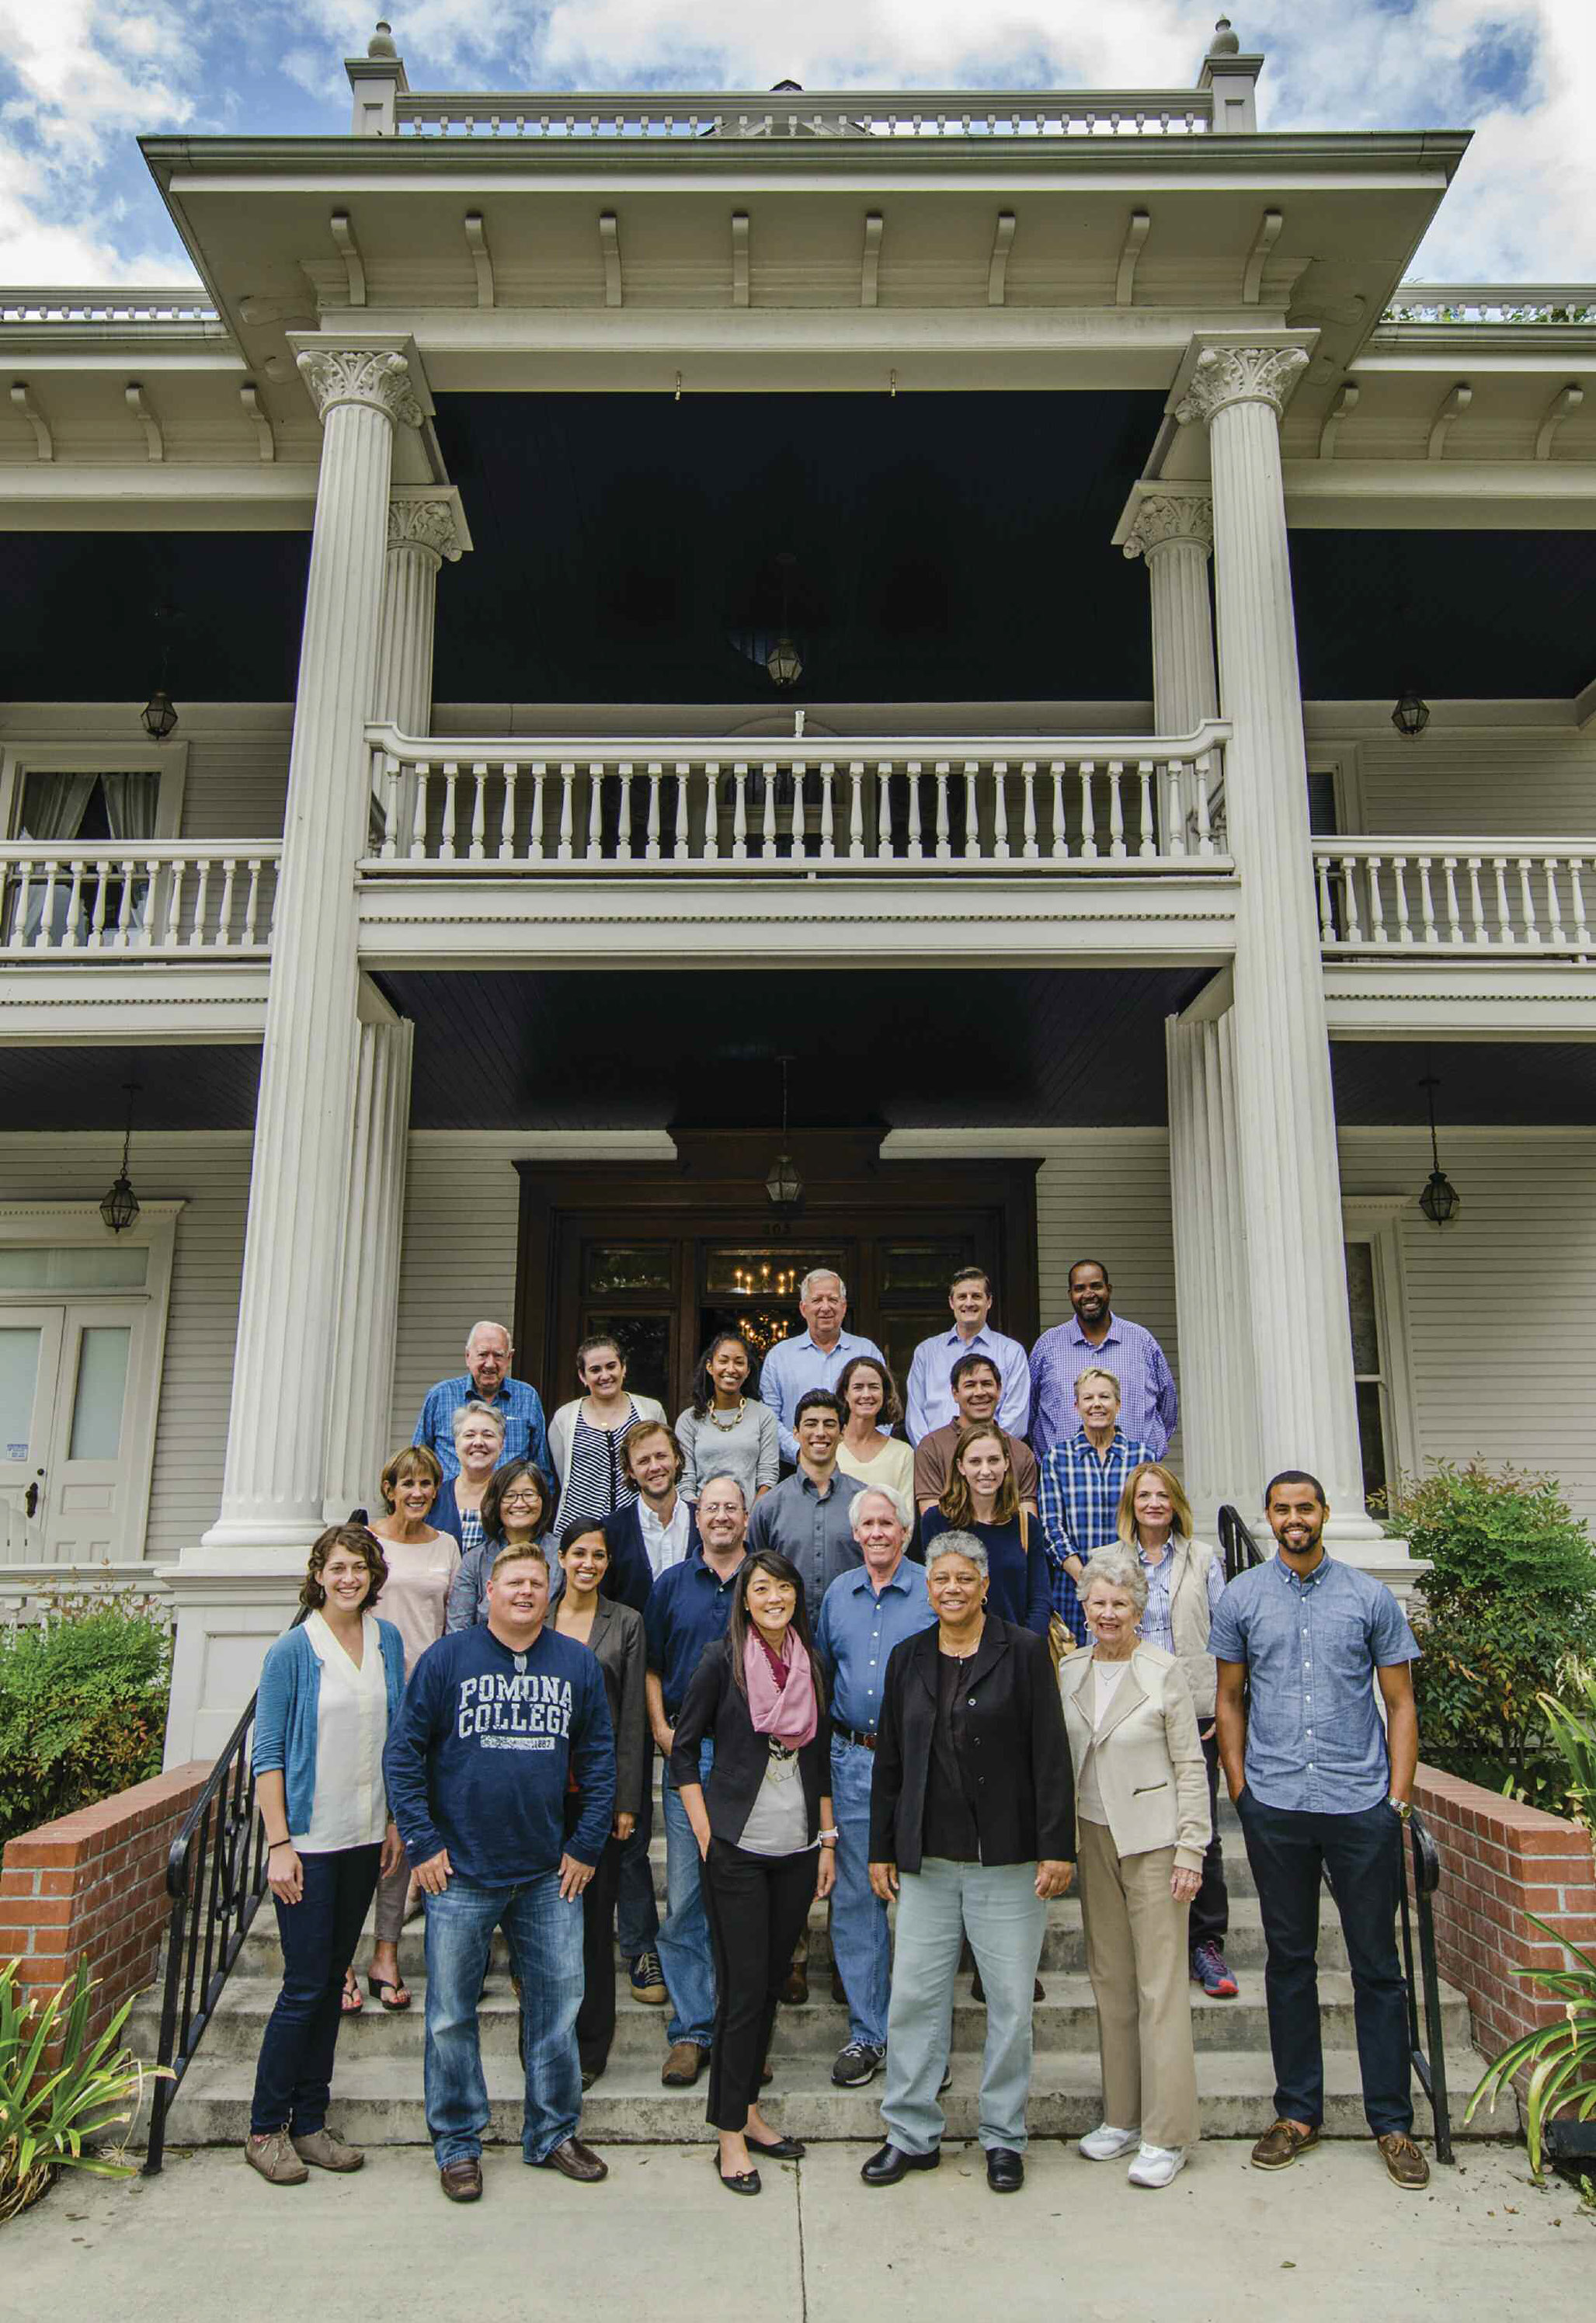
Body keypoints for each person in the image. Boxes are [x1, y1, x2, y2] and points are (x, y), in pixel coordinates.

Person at [1211, 1470, 1428, 2191]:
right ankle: (1297, 2112)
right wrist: (1241, 1790)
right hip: (1276, 1802)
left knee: (1376, 1965)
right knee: (1289, 1961)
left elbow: (1399, 1702)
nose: (1294, 1518)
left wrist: (1395, 1798)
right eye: (1281, 1508)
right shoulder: (1241, 1597)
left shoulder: (1367, 1596)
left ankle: (1391, 2122)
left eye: (1305, 1507)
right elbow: (1229, 1695)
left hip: (1357, 1802)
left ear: (1324, 1514)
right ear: (1267, 1516)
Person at [383, 1541, 615, 2201]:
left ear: (551, 1591)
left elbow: (599, 1761)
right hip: (459, 1872)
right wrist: (424, 1844)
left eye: (535, 1583)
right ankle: (458, 2143)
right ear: (488, 1591)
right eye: (512, 1582)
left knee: (555, 2008)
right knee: (451, 2015)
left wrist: (586, 1845)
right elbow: (404, 1754)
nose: (523, 1592)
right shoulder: (447, 1659)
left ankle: (553, 2132)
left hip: (547, 1871)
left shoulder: (575, 1664)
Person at [862, 1532, 1075, 2195]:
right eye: (940, 1579)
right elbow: (890, 1762)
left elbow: (1050, 1753)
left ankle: (1003, 2137)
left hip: (1007, 1859)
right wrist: (879, 1848)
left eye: (964, 1578)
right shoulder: (907, 1658)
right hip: (925, 1858)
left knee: (1009, 2004)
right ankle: (910, 2132)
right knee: (915, 1999)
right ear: (927, 1589)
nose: (951, 1588)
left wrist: (1056, 1845)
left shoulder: (1024, 1652)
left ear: (985, 1586)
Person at [246, 1525, 407, 2186]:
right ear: (319, 1573)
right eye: (337, 1567)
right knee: (305, 1987)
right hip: (307, 1844)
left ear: (373, 1575)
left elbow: (397, 1737)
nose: (348, 1578)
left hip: (364, 1836)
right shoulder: (292, 1650)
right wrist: (279, 1842)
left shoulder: (387, 1641)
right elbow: (269, 1754)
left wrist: (396, 1818)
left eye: (359, 1567)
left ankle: (310, 2122)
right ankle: (265, 2127)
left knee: (334, 1978)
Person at [673, 1550, 836, 2193]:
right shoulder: (721, 1660)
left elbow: (817, 1755)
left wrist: (826, 1840)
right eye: (761, 1588)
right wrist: (705, 1828)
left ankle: (749, 2109)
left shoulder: (809, 1663)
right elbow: (683, 1750)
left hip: (795, 1846)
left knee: (769, 1983)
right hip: (736, 1845)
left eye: (783, 1587)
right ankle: (728, 2134)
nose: (773, 1597)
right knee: (739, 1992)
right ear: (744, 1598)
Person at [1059, 1549, 1210, 2189]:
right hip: (1092, 1834)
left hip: (1153, 1842)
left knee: (1159, 1986)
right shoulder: (1067, 1670)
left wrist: (1191, 1848)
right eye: (1097, 1602)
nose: (1107, 1613)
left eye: (1119, 1603)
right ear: (1084, 1606)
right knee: (1110, 1979)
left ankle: (1166, 2131)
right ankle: (1120, 2116)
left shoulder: (1162, 1669)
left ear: (1137, 1609)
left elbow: (1190, 1766)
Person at [814, 1485, 934, 2087]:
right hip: (852, 1759)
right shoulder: (838, 1594)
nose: (879, 1532)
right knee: (858, 1900)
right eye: (869, 1524)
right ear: (855, 1534)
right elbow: (820, 1672)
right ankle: (868, 2033)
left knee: (921, 1901)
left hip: (920, 1765)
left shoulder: (931, 1589)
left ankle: (921, 2042)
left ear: (904, 1532)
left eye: (889, 1522)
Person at [642, 1473, 750, 2087]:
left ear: (743, 1515)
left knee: (743, 1895)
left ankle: (741, 2029)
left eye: (730, 1507)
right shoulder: (671, 1583)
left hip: (750, 1759)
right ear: (697, 1515)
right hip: (688, 1752)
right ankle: (690, 2029)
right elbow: (653, 1665)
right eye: (710, 1507)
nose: (720, 1517)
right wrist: (661, 1728)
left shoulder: (763, 1580)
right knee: (686, 1893)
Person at [1118, 1461, 1235, 1999]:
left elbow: (1225, 1632)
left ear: (1175, 1502)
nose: (1153, 1503)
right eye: (1144, 1495)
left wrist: (1218, 1705)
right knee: (1137, 1825)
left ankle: (1204, 1942)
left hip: (1193, 1708)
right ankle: (1145, 1937)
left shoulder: (1204, 1558)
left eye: (1162, 1494)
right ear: (1131, 1504)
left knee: (1197, 1824)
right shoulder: (1112, 1561)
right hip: (1133, 1709)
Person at [364, 1447, 460, 2014]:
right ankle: (349, 1956)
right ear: (390, 1486)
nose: (417, 1491)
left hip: (427, 1691)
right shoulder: (369, 1541)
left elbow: (450, 1619)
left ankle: (385, 1950)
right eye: (407, 1482)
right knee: (365, 1823)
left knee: (406, 1821)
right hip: (373, 1685)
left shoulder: (446, 1544)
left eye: (426, 1483)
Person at [552, 1523, 648, 2089]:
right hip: (536, 1793)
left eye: (599, 1555)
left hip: (595, 1793)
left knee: (592, 1922)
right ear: (560, 1558)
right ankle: (543, 2035)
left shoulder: (626, 1622)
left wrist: (625, 1799)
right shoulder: (535, 1613)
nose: (588, 1563)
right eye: (579, 1553)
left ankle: (591, 2043)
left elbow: (632, 1713)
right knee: (539, 1921)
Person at [1037, 1369, 1154, 1647]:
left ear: (1119, 1404)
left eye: (1105, 1397)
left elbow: (1150, 1523)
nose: (1097, 1404)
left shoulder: (1141, 1457)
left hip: (1131, 1584)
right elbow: (1051, 1528)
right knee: (1076, 1673)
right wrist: (1087, 1581)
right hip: (1073, 1589)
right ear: (1076, 1406)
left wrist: (1119, 1583)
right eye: (1088, 1398)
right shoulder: (1058, 1457)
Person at [1028, 1261, 1177, 1462]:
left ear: (1109, 1289)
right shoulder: (1048, 1345)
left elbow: (1167, 1409)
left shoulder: (1141, 1341)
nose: (1089, 1294)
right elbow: (1030, 1411)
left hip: (1136, 1477)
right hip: (1067, 1477)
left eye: (1096, 1286)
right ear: (1070, 1294)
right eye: (1080, 1288)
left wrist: (1147, 1456)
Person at [746, 1389, 865, 1629]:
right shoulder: (770, 1506)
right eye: (811, 1424)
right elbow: (753, 1575)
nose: (820, 1433)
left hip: (852, 1630)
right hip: (786, 1636)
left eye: (829, 1424)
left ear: (842, 1433)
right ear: (796, 1433)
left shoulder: (864, 1501)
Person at [922, 1423, 1050, 1638]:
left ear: (1007, 1463)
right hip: (956, 1651)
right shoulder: (937, 1521)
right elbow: (930, 1592)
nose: (985, 1471)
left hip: (1014, 1651)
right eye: (975, 1462)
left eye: (993, 1460)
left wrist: (1025, 1648)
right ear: (961, 1467)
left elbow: (1040, 1599)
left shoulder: (1026, 1525)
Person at [758, 1269, 885, 1466]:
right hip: (794, 1467)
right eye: (817, 1300)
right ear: (803, 1308)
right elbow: (769, 1417)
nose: (826, 1307)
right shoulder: (779, 1356)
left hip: (860, 1465)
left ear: (843, 1307)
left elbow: (885, 1408)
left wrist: (869, 1451)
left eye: (833, 1300)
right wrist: (801, 1453)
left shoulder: (867, 1351)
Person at [549, 1334, 666, 1534]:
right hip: (580, 1530)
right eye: (595, 1370)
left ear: (624, 1368)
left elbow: (663, 1466)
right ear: (583, 1376)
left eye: (611, 1366)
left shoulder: (650, 1411)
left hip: (639, 1528)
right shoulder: (565, 1418)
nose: (605, 1376)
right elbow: (563, 1475)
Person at [414, 1321, 549, 1483]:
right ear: (468, 1356)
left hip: (509, 1505)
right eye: (483, 1354)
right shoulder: (441, 1395)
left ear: (510, 1357)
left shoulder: (527, 1397)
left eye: (498, 1355)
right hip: (450, 1505)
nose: (490, 1364)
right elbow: (418, 1460)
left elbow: (541, 1469)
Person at [905, 1268, 1029, 1444]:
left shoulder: (1011, 1352)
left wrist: (984, 1455)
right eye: (962, 1297)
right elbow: (915, 1418)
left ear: (989, 1301)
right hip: (938, 1461)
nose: (969, 1303)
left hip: (992, 1463)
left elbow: (1016, 1419)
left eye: (976, 1296)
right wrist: (933, 1455)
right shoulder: (926, 1352)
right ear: (951, 1302)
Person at [913, 1352, 1041, 1517]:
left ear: (999, 1389)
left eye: (987, 1384)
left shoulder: (1021, 1453)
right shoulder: (932, 1447)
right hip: (951, 1542)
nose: (980, 1392)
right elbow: (931, 1520)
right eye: (970, 1385)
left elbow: (1027, 1522)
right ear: (954, 1393)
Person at [600, 1421, 701, 1614]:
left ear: (677, 1459)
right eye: (644, 1461)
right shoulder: (611, 1531)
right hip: (633, 1643)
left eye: (661, 1456)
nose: (655, 1467)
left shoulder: (703, 1523)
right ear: (631, 1471)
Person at [445, 1457, 555, 1633]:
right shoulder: (475, 1560)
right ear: (495, 1502)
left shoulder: (561, 1554)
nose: (520, 1504)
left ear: (543, 1500)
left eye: (529, 1494)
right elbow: (458, 1629)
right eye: (509, 1496)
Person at [676, 1333, 779, 1508]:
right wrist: (702, 1517)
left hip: (749, 1520)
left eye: (739, 1362)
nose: (731, 1369)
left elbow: (767, 1478)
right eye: (723, 1361)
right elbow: (685, 1481)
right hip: (701, 1520)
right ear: (710, 1367)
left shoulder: (764, 1416)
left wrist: (750, 1520)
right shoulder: (689, 1420)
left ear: (747, 1371)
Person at [835, 1354, 915, 1507]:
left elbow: (906, 1519)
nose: (866, 1395)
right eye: (858, 1387)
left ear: (884, 1394)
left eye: (874, 1387)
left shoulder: (902, 1454)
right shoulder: (830, 1449)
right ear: (845, 1393)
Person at [431, 1401, 507, 1560]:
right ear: (456, 1444)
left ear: (502, 1445)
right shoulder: (433, 1498)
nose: (478, 1442)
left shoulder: (511, 1498)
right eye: (469, 1435)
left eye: (488, 1435)